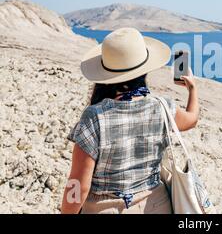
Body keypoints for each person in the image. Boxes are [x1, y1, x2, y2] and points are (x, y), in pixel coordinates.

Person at [60, 28, 199, 214]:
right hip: (157, 206)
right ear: (145, 69)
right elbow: (192, 119)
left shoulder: (94, 117)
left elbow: (78, 186)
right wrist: (192, 89)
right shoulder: (162, 107)